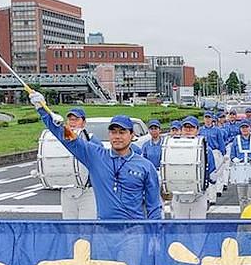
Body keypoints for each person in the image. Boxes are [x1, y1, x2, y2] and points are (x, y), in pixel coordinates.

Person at [31, 92, 161, 219]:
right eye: (113, 132)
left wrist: (155, 235)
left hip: (135, 233)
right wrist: (42, 108)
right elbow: (65, 136)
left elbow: (154, 206)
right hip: (104, 232)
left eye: (122, 132)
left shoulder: (145, 166)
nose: (117, 136)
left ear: (132, 135)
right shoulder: (96, 156)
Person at [53, 107, 97, 220]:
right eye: (70, 120)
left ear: (84, 122)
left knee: (87, 228)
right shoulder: (61, 140)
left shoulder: (91, 140)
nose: (72, 122)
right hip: (67, 190)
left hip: (87, 190)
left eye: (76, 119)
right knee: (70, 228)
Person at [172, 117, 216, 218]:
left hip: (198, 195)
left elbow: (212, 173)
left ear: (197, 130)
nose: (188, 130)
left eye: (191, 128)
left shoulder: (206, 149)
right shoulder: (173, 147)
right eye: (185, 128)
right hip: (179, 195)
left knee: (198, 229)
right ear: (181, 130)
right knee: (180, 230)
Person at [228, 119, 251, 211]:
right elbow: (232, 154)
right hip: (240, 169)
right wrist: (234, 159)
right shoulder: (236, 139)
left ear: (250, 128)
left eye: (246, 127)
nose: (244, 129)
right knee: (242, 195)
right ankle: (243, 213)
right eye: (242, 127)